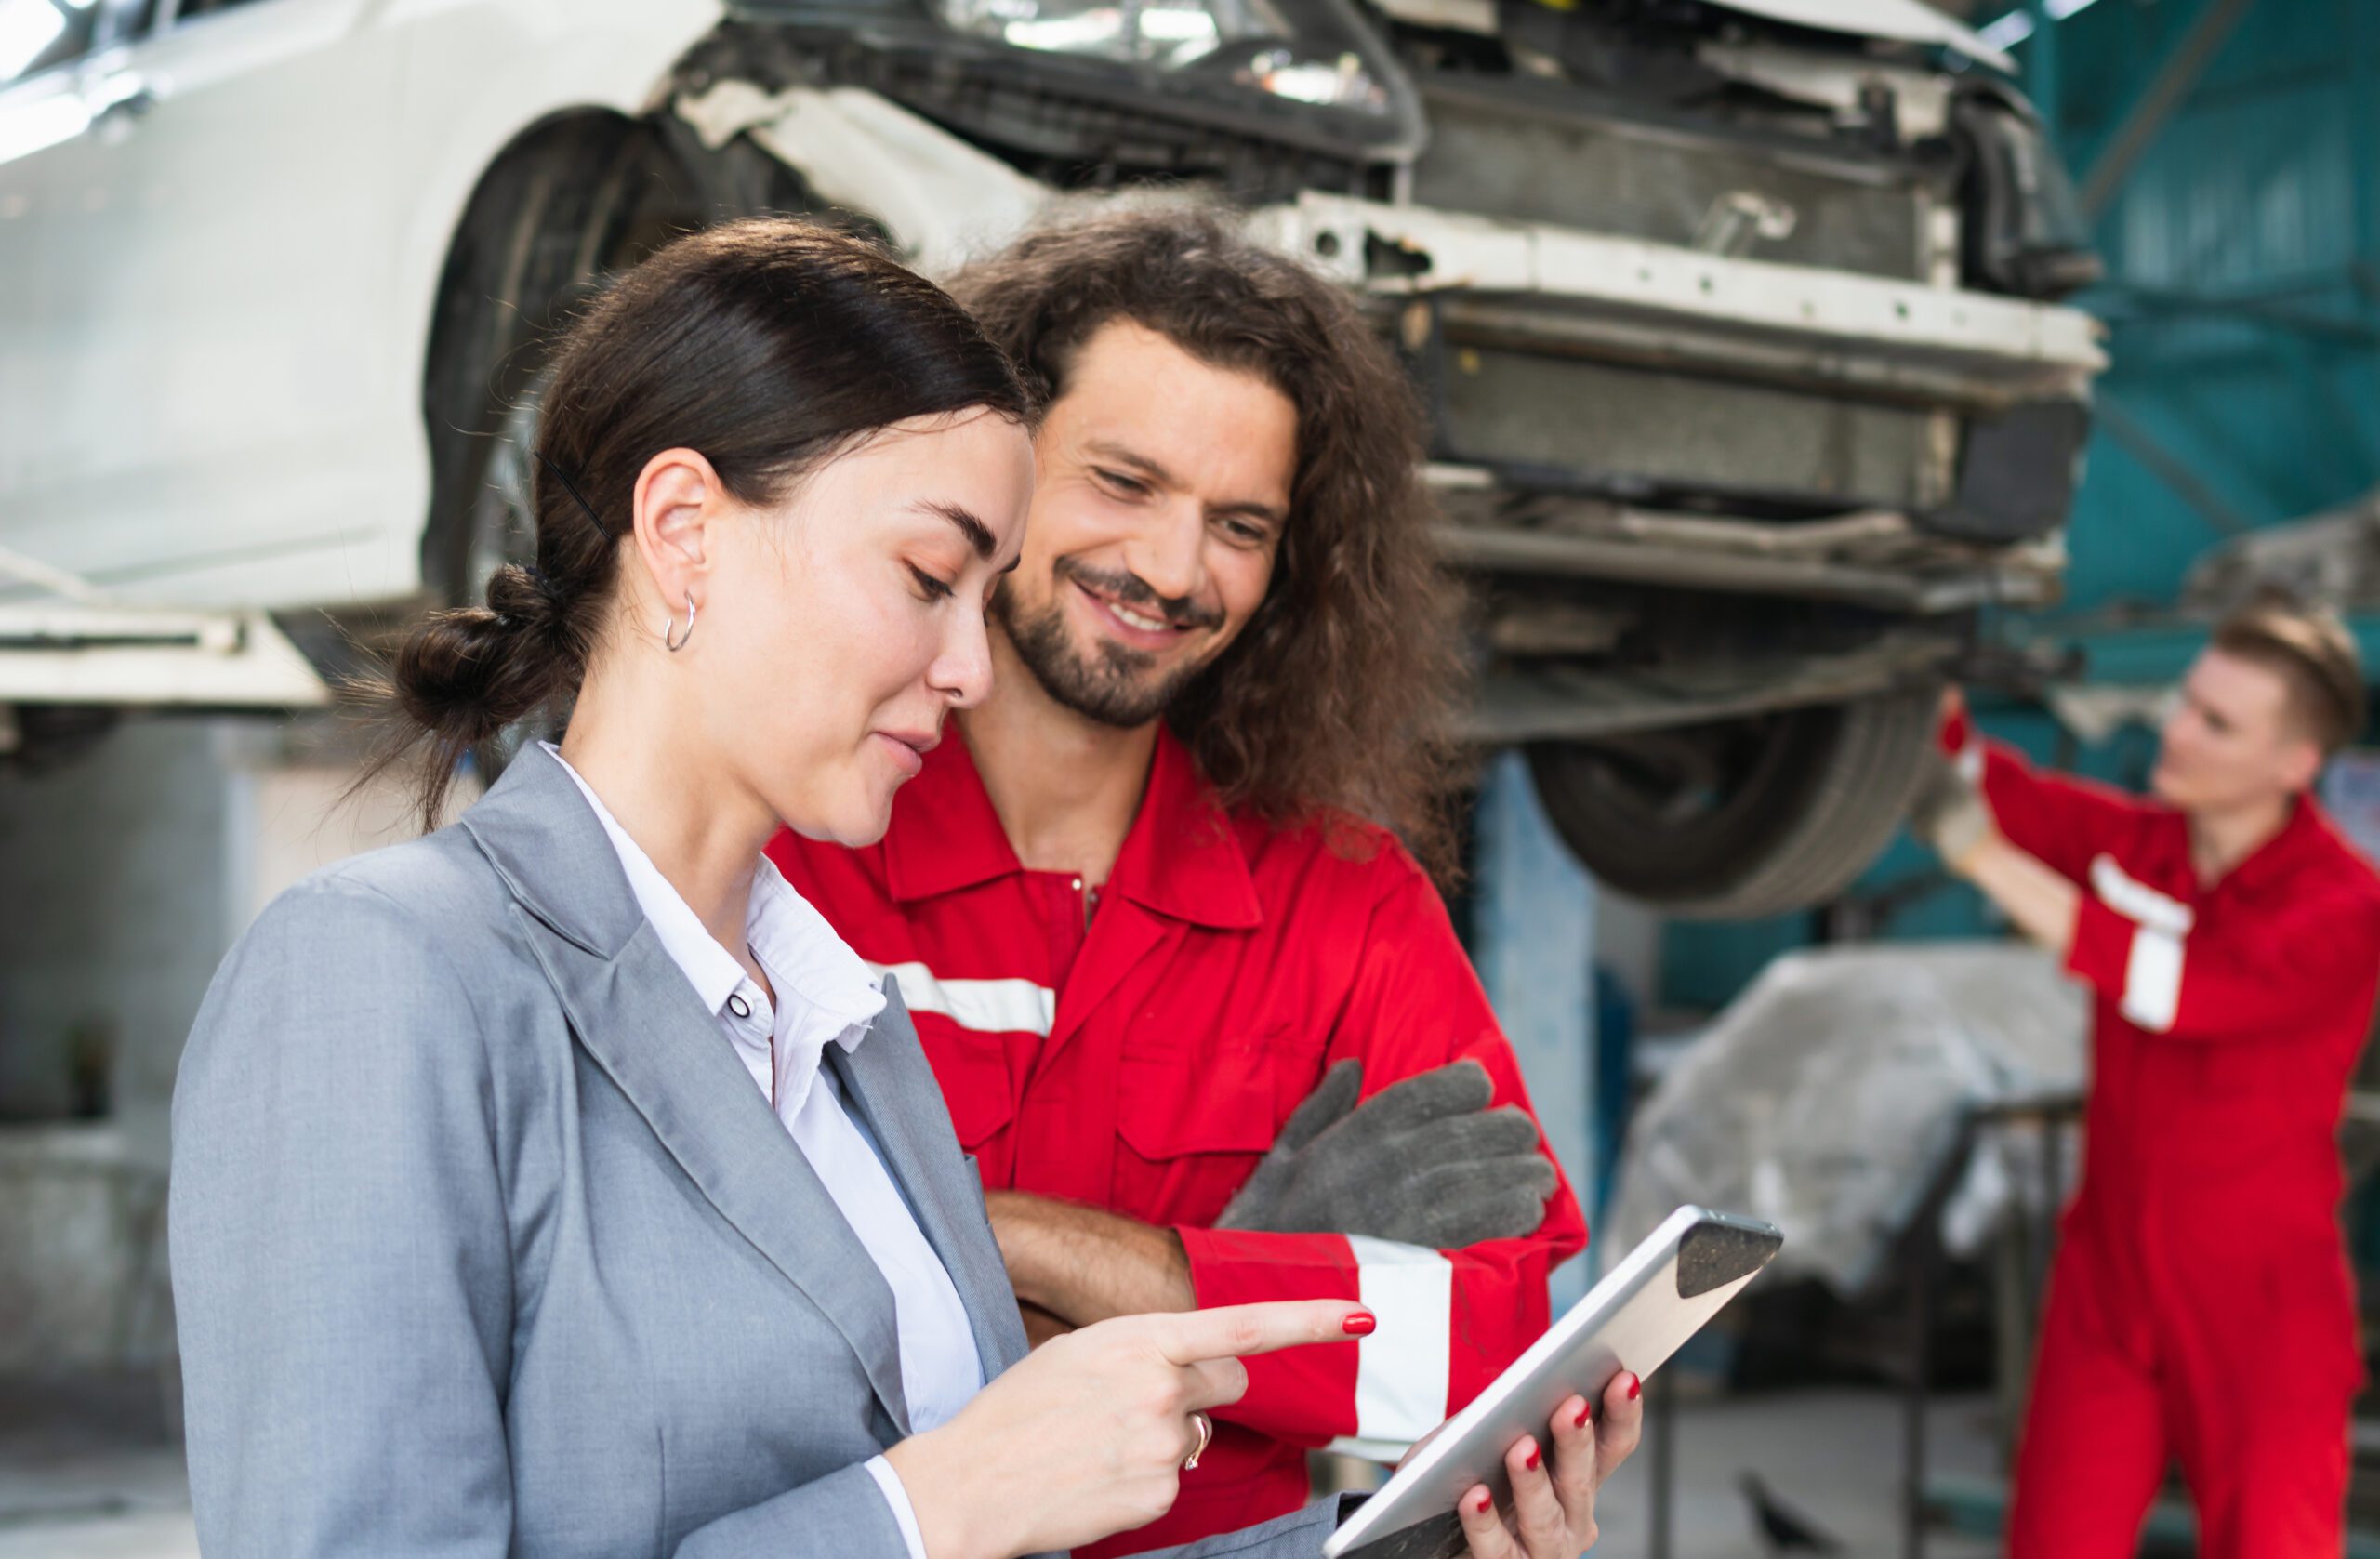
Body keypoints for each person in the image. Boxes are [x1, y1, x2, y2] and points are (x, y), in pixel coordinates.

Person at [167, 218, 1639, 1559]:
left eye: (1241, 522)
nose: (973, 664)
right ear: (682, 532)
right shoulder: (373, 977)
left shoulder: (833, 1020)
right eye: (931, 574)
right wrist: (944, 1495)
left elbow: (1478, 1353)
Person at [769, 207, 1588, 1557]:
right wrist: (1261, 1299)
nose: (1169, 569)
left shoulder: (1348, 903)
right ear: (993, 467)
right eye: (1125, 482)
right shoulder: (798, 851)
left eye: (1239, 524)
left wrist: (1039, 1253)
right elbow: (721, 1327)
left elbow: (1494, 1349)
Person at [1914, 598, 2380, 1559]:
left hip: (2257, 1304)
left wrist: (1982, 861)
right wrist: (1918, 683)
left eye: (2216, 723)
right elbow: (1973, 780)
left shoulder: (2342, 908)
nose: (2176, 731)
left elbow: (2177, 989)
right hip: (2107, 1279)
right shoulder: (2139, 847)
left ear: (2294, 764)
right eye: (2184, 702)